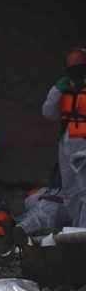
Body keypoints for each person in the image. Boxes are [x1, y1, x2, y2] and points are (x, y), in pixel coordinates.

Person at [44, 49, 86, 233]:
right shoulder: (63, 91)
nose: (76, 75)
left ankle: (83, 231)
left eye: (80, 70)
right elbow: (48, 113)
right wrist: (56, 90)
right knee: (70, 192)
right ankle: (73, 229)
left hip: (84, 145)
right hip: (66, 144)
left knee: (84, 190)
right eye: (72, 70)